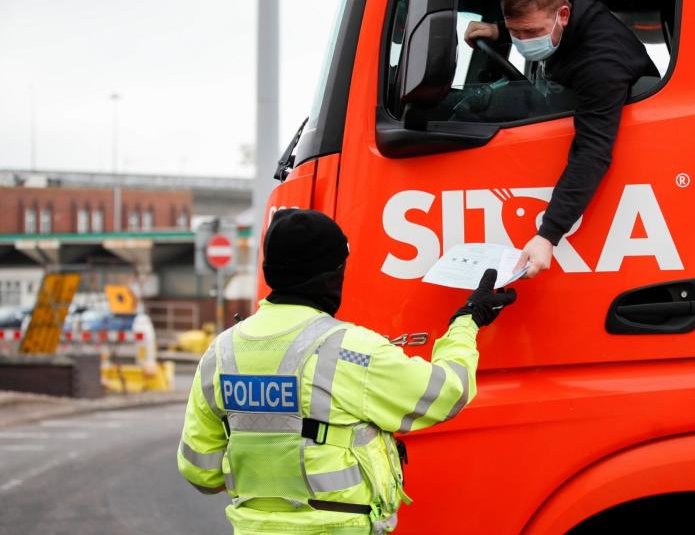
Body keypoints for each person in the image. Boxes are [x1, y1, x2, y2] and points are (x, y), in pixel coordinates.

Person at [177, 209, 516, 535]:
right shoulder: (349, 348)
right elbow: (445, 392)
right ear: (331, 274)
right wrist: (467, 320)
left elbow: (199, 470)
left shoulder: (220, 353)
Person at [465, 0, 654, 278]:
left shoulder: (601, 64)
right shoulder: (555, 12)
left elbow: (592, 151)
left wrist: (548, 235)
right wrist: (499, 32)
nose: (525, 42)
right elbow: (532, 21)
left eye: (532, 33)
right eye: (517, 33)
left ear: (563, 15)